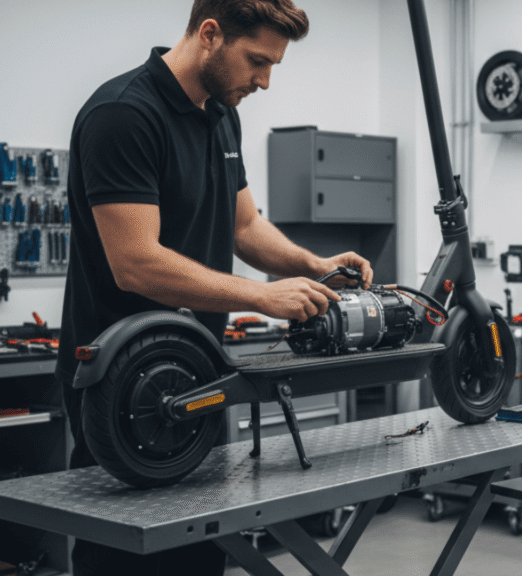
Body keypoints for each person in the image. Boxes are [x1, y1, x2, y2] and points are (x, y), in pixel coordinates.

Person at [56, 1, 372, 574]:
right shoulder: (123, 114)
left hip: (199, 374)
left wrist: (313, 264)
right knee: (125, 556)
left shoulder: (222, 114)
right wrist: (261, 296)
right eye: (257, 61)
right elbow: (136, 264)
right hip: (121, 382)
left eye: (272, 66)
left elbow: (244, 226)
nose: (264, 81)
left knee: (201, 550)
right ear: (209, 34)